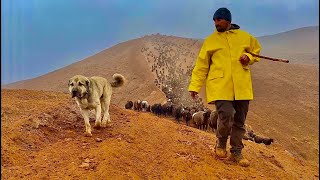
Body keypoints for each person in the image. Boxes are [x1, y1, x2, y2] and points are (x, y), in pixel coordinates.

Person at [188, 7, 261, 167]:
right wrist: (195, 85)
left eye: (219, 19)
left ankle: (236, 152)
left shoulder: (245, 37)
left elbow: (256, 52)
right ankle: (220, 144)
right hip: (219, 86)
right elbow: (201, 66)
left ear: (228, 20)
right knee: (226, 115)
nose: (216, 23)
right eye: (214, 20)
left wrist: (248, 56)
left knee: (240, 120)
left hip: (242, 86)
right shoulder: (210, 41)